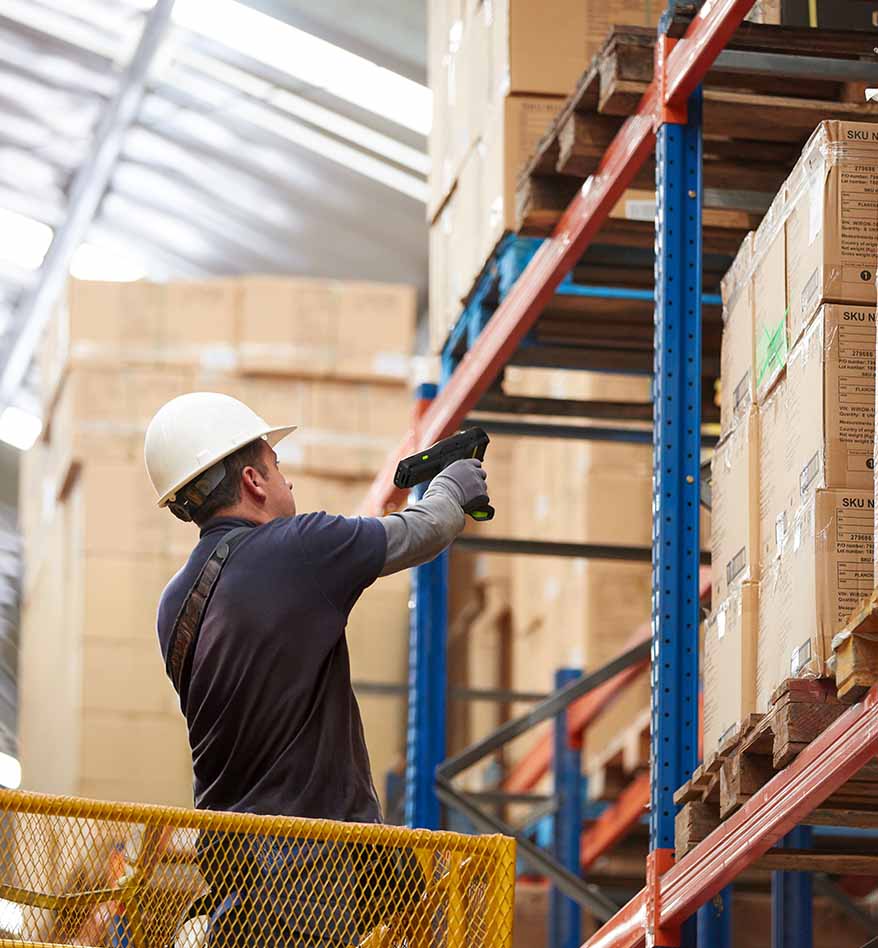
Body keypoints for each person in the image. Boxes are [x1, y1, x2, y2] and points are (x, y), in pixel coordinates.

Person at [143, 392, 489, 945]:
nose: (288, 483)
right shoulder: (300, 549)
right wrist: (455, 484)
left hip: (233, 862)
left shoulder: (174, 604)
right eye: (279, 468)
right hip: (309, 867)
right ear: (254, 480)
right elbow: (427, 529)